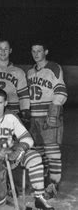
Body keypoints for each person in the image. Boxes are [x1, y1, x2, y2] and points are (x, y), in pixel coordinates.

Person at [27, 41, 67, 199]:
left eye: (39, 51)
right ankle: (41, 183)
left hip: (48, 116)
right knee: (38, 152)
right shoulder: (30, 72)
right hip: (34, 117)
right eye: (33, 50)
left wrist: (53, 111)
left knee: (52, 152)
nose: (36, 54)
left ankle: (53, 184)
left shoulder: (54, 68)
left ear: (46, 52)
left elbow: (61, 92)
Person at [0, 39, 30, 125]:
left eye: (6, 49)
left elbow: (24, 96)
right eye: (0, 49)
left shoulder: (19, 71)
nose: (3, 51)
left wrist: (25, 113)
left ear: (10, 50)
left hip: (12, 112)